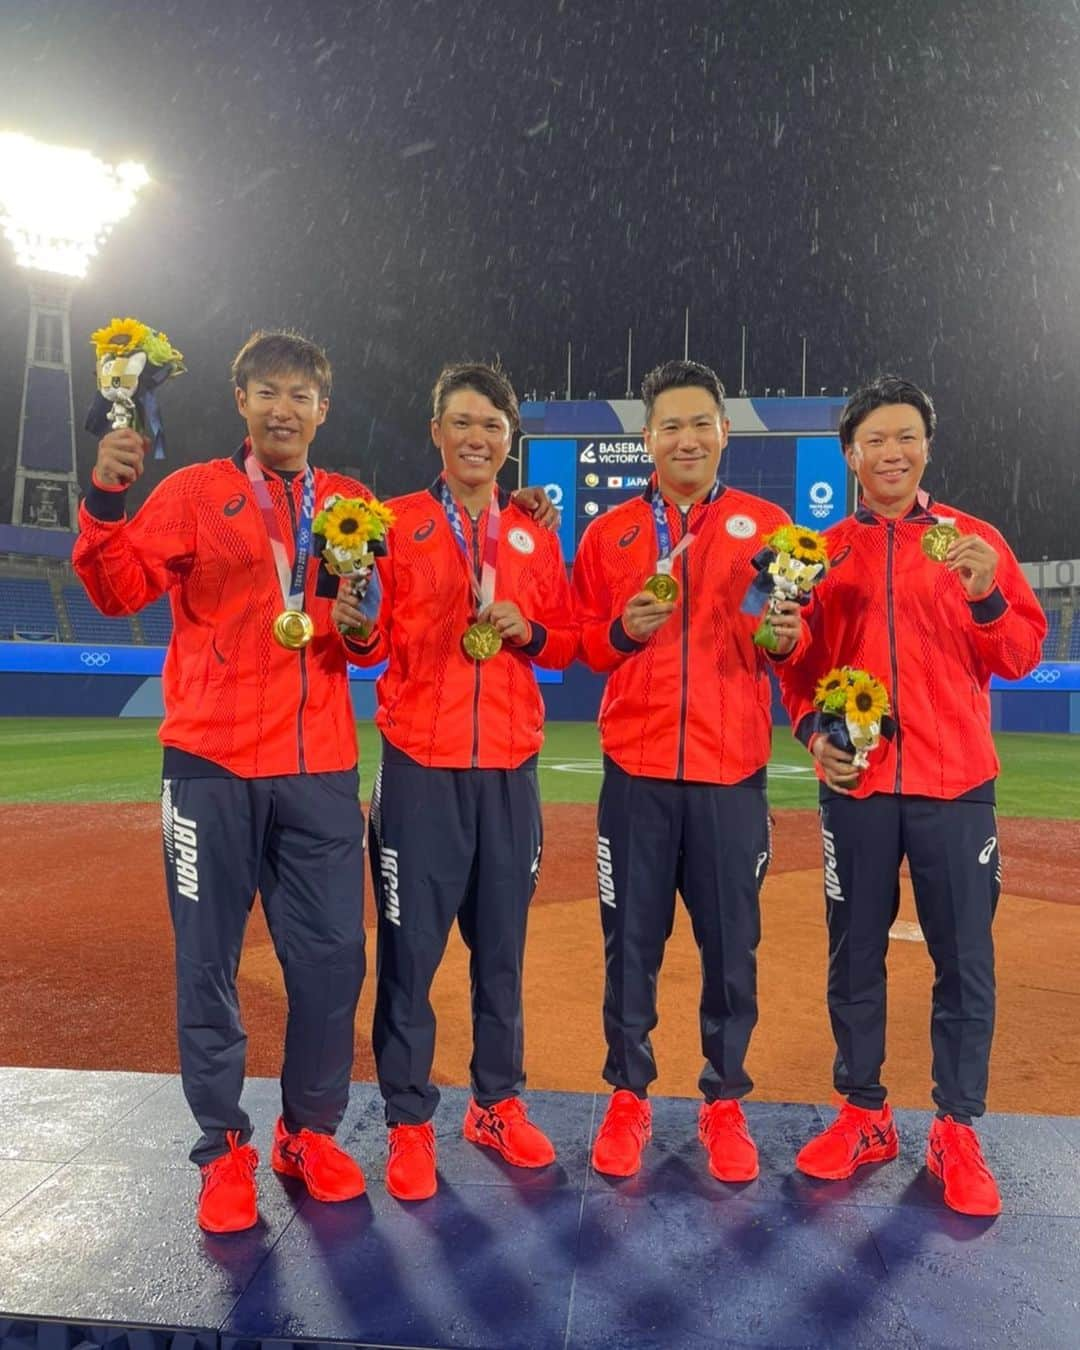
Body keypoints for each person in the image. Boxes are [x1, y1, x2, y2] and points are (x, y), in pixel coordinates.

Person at [72, 331, 379, 1233]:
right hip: (210, 764)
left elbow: (371, 638)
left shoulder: (352, 504)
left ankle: (308, 1133)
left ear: (324, 408)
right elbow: (117, 590)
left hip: (320, 765)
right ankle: (223, 1148)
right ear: (241, 400)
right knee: (208, 966)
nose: (284, 408)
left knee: (330, 966)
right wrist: (106, 492)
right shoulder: (196, 492)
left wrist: (362, 628)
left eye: (302, 393)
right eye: (268, 391)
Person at [776, 375, 1046, 1217]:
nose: (891, 453)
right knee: (852, 954)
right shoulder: (817, 553)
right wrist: (816, 738)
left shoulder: (975, 542)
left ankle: (956, 1130)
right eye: (873, 441)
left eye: (906, 438)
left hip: (955, 784)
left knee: (964, 961)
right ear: (849, 455)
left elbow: (1019, 656)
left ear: (926, 447)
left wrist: (987, 593)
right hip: (857, 786)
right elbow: (796, 670)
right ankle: (864, 1114)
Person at [336, 362, 576, 1202]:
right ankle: (408, 1121)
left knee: (501, 958)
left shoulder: (532, 534)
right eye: (462, 423)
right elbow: (362, 646)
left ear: (511, 442)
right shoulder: (392, 524)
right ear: (436, 432)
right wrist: (357, 623)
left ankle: (496, 1105)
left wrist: (531, 626)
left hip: (510, 771)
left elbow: (568, 640)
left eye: (493, 427)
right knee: (409, 958)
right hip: (420, 774)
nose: (477, 439)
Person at [571, 359, 804, 1182]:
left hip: (729, 776)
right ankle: (629, 1096)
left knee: (730, 951)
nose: (686, 438)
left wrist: (782, 636)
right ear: (647, 439)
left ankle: (724, 1102)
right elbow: (584, 649)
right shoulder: (608, 536)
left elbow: (783, 645)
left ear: (724, 432)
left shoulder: (770, 529)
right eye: (669, 425)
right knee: (628, 949)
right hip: (634, 776)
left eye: (700, 422)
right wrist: (625, 633)